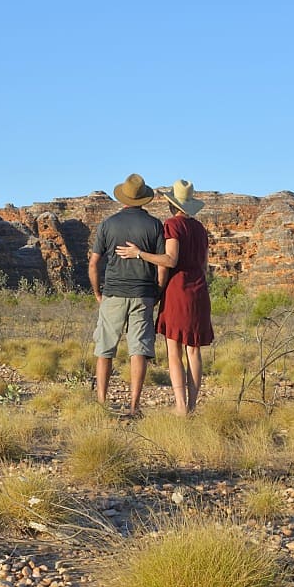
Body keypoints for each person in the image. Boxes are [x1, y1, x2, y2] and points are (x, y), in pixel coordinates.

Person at [116, 179, 213, 415]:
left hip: (179, 290)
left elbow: (170, 260)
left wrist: (139, 254)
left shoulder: (172, 225)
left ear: (172, 204)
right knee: (194, 350)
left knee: (174, 350)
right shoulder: (200, 228)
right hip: (199, 290)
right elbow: (205, 264)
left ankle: (180, 406)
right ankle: (192, 405)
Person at [89, 173, 165, 417]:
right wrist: (158, 292)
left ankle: (101, 402)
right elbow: (162, 266)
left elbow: (93, 264)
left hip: (113, 293)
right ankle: (134, 406)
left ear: (123, 197)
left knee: (105, 349)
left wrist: (98, 293)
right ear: (143, 199)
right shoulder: (155, 225)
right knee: (139, 350)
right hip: (143, 293)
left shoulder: (107, 224)